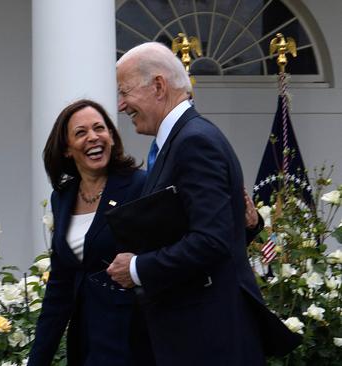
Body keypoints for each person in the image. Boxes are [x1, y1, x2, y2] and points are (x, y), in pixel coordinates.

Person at [107, 42, 300, 365]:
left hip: (207, 341)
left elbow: (212, 240)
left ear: (158, 86)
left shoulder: (194, 142)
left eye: (125, 92)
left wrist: (137, 268)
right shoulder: (181, 141)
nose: (121, 105)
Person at [28, 99, 147, 365]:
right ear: (67, 149)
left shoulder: (140, 185)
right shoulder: (62, 198)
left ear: (112, 138)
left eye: (99, 128)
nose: (93, 137)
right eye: (81, 133)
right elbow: (59, 287)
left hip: (133, 339)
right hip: (86, 341)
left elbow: (169, 249)